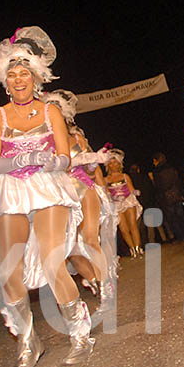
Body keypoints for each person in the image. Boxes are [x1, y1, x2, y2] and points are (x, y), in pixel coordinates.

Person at [0, 27, 92, 367]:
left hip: (46, 188)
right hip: (10, 190)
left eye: (24, 74)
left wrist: (51, 161)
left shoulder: (50, 113)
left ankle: (79, 333)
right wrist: (17, 162)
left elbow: (65, 156)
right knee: (8, 271)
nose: (18, 80)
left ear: (35, 78)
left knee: (51, 259)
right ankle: (28, 342)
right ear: (4, 80)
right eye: (12, 75)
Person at [41, 89, 117, 316]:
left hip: (84, 189)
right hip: (62, 194)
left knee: (90, 239)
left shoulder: (77, 138)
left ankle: (106, 292)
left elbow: (91, 173)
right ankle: (96, 282)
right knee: (70, 249)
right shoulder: (44, 142)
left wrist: (93, 164)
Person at [104, 149, 144, 257]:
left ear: (119, 164)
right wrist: (113, 198)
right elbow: (106, 194)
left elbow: (131, 189)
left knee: (133, 225)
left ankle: (138, 247)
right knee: (123, 228)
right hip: (116, 204)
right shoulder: (106, 179)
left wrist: (135, 192)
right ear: (108, 165)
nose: (113, 165)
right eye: (111, 163)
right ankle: (132, 249)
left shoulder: (125, 176)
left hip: (128, 201)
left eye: (115, 162)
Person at [150, 152, 184, 242]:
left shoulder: (157, 172)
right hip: (176, 194)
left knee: (172, 218)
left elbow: (159, 186)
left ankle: (180, 236)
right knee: (181, 216)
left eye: (154, 161)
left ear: (156, 160)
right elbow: (178, 181)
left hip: (166, 197)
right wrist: (180, 193)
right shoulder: (171, 168)